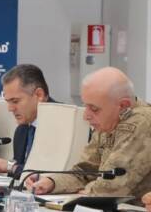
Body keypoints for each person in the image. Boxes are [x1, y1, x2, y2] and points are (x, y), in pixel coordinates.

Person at [27, 67, 151, 198]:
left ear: (123, 106)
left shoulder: (142, 122)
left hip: (136, 210)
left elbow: (111, 188)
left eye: (94, 109)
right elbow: (84, 172)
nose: (86, 116)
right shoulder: (109, 122)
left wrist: (87, 191)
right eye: (86, 106)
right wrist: (52, 183)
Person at [0, 64, 53, 176]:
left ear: (39, 95)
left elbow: (54, 174)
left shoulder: (64, 123)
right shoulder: (22, 130)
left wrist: (11, 167)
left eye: (15, 101)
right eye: (8, 102)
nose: (10, 109)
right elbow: (16, 177)